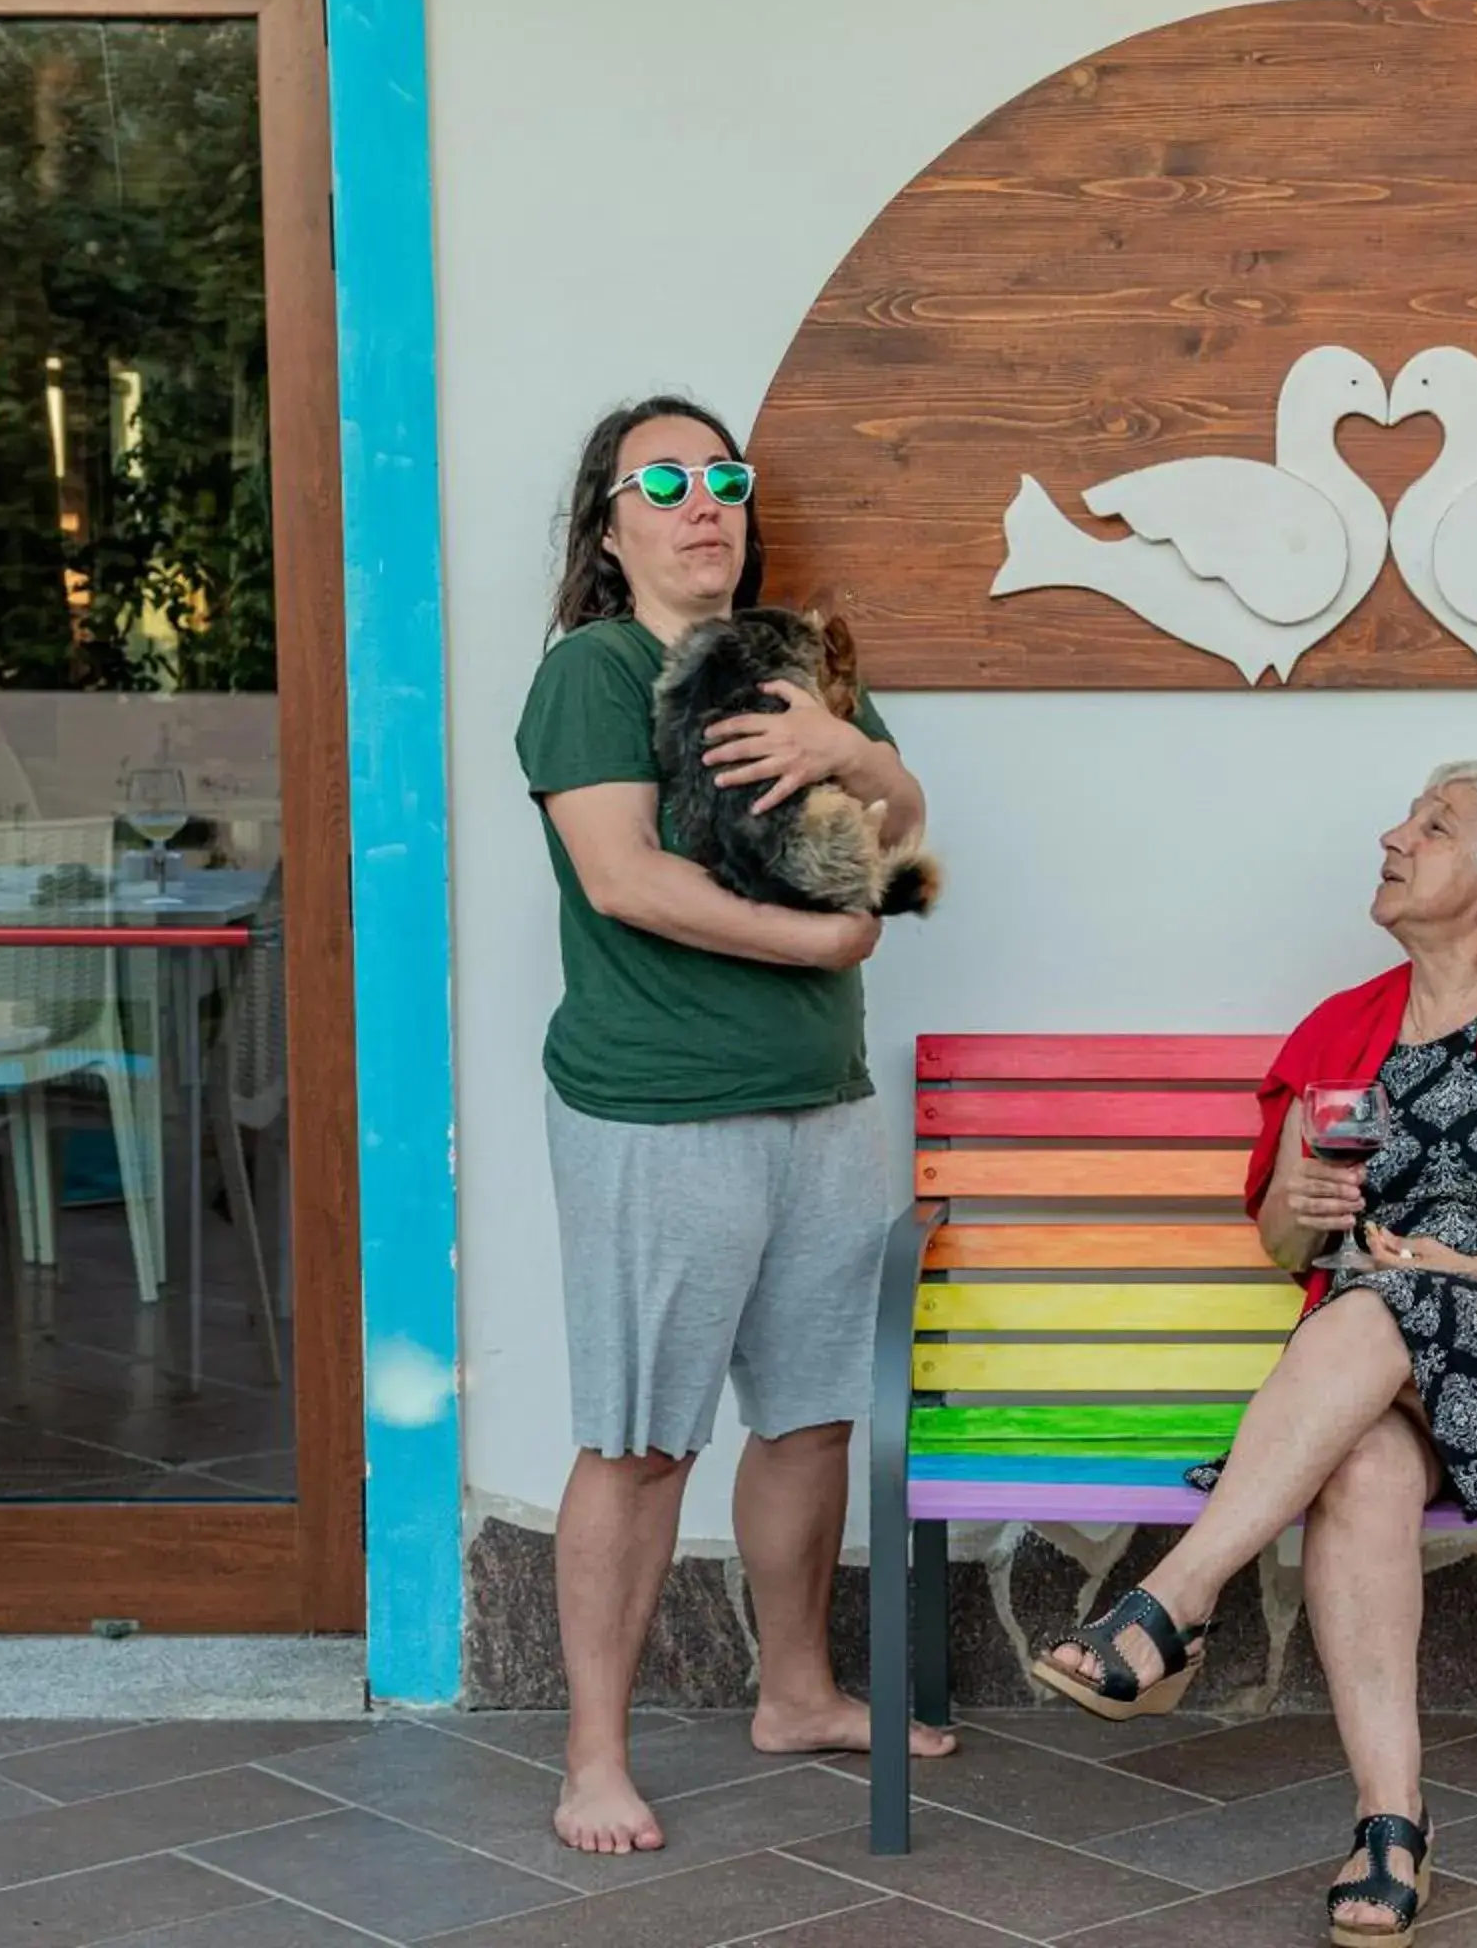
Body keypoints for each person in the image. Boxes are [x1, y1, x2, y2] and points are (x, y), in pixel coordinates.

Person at [1031, 760, 1477, 1946]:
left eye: (1434, 825)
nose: (1394, 835)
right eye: (1407, 817)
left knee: (1376, 1303)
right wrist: (1304, 1195)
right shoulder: (1340, 1028)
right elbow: (1283, 1239)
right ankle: (1391, 1821)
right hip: (1385, 1357)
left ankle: (1174, 1601)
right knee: (1364, 1460)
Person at [516, 395, 955, 1857]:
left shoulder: (793, 664)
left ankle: (797, 1691)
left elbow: (903, 820)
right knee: (642, 1441)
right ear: (612, 522)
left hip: (817, 1103)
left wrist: (849, 744)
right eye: (666, 480)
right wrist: (825, 951)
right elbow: (625, 880)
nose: (703, 502)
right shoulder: (593, 670)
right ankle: (594, 1758)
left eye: (723, 477)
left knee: (812, 1414)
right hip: (660, 1110)